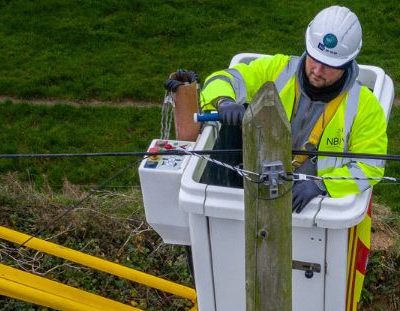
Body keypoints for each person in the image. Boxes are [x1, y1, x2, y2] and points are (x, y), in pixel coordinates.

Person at [165, 6, 388, 210]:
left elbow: (370, 166)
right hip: (257, 181)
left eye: (329, 66)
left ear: (347, 64)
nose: (318, 70)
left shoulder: (365, 106)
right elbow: (223, 79)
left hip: (315, 205)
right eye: (314, 59)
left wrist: (322, 186)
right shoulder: (277, 70)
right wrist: (224, 101)